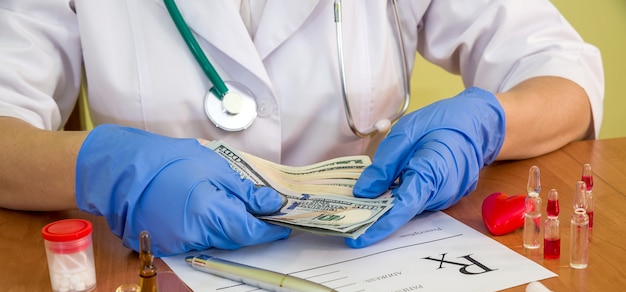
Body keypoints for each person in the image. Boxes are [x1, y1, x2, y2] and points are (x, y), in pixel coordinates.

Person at [0, 1, 602, 257]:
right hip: (155, 270)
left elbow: (559, 72)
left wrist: (490, 124)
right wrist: (108, 167)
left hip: (370, 263)